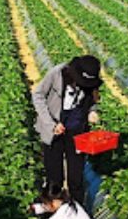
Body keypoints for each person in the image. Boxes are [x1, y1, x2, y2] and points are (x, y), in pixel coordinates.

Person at [32, 55, 101, 200]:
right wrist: (51, 124)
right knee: (54, 177)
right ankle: (53, 210)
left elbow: (93, 100)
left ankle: (76, 211)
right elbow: (38, 96)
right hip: (54, 130)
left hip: (77, 132)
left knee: (76, 178)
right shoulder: (57, 74)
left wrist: (92, 111)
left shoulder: (91, 82)